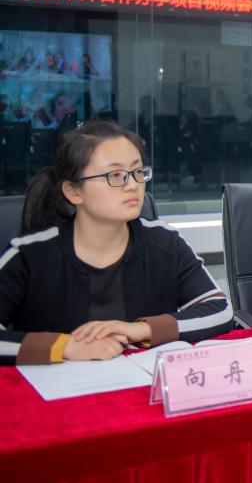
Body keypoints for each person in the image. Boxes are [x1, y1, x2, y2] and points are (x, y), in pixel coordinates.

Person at [0, 121, 232, 366]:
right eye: (115, 175)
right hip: (53, 388)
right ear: (73, 191)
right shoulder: (30, 254)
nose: (132, 185)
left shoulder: (164, 242)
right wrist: (64, 346)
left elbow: (219, 309)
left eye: (137, 172)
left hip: (141, 384)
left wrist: (142, 329)